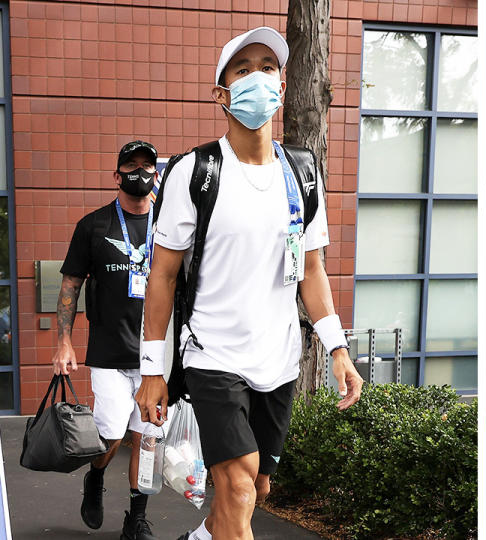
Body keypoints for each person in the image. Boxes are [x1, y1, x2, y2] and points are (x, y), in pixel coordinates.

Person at [134, 27, 364, 540]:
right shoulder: (196, 171)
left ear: (282, 87)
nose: (258, 78)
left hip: (278, 360)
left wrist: (338, 350)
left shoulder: (303, 173)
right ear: (221, 93)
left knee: (254, 491)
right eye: (243, 69)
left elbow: (311, 270)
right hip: (212, 356)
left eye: (267, 67)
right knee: (237, 490)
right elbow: (162, 277)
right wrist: (153, 370)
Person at [55, 140, 160, 540]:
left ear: (156, 173)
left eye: (146, 166)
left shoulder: (170, 224)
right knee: (113, 434)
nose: (139, 173)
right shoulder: (94, 226)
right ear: (116, 176)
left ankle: (136, 521)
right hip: (109, 354)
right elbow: (70, 285)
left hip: (156, 360)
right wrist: (63, 342)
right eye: (130, 166)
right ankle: (96, 478)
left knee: (148, 439)